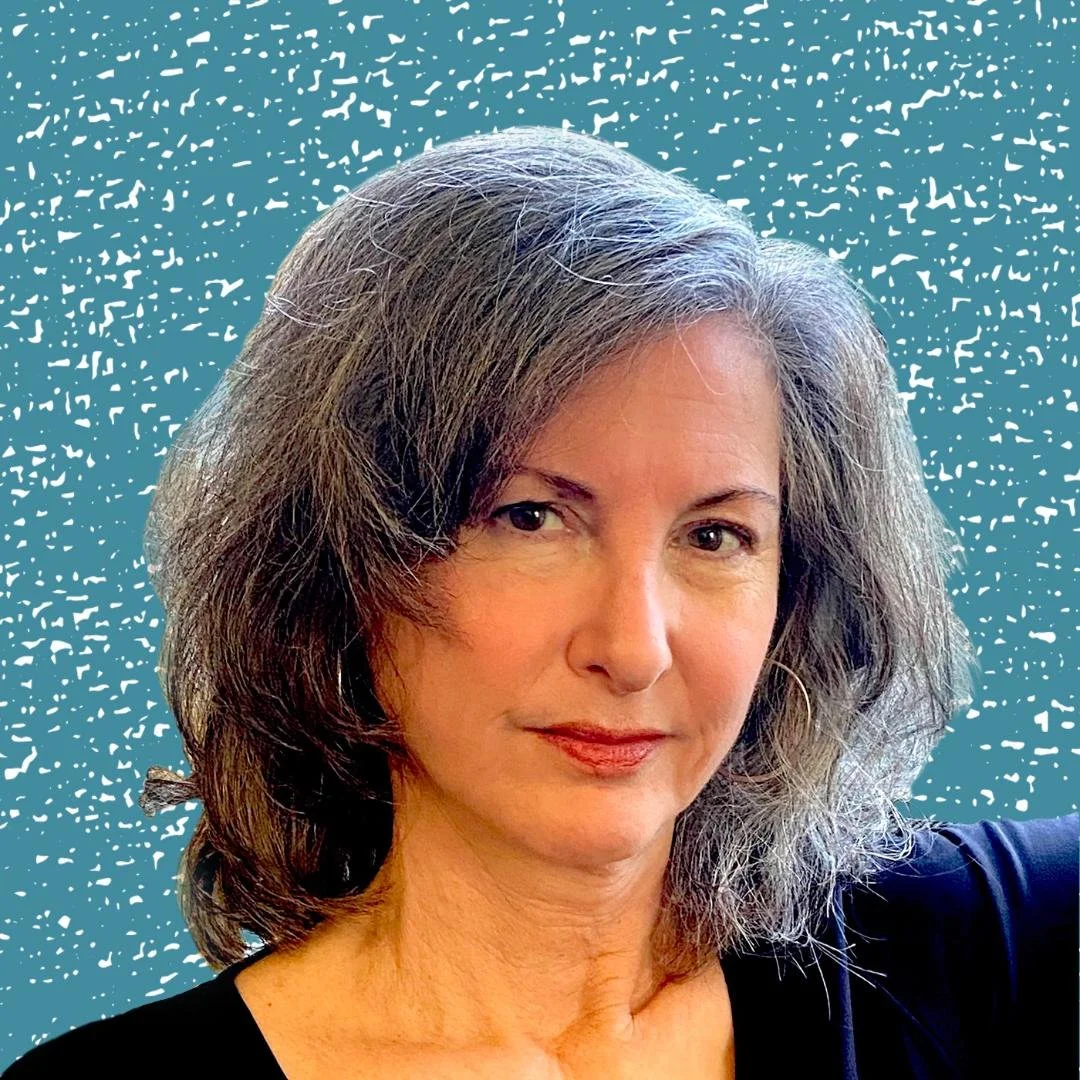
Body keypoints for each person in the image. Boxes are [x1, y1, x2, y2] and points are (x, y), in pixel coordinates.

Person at [3, 126, 1076, 1079]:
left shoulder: (973, 953)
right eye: (531, 518)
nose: (634, 648)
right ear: (344, 558)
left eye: (714, 536)